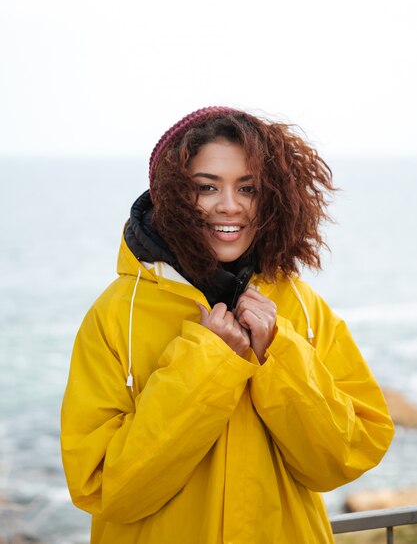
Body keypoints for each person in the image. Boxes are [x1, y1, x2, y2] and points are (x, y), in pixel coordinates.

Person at [61, 106, 394, 544]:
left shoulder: (300, 304)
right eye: (206, 187)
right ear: (172, 194)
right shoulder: (114, 314)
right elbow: (105, 489)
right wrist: (207, 366)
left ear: (271, 196)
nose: (230, 206)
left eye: (248, 188)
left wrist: (278, 351)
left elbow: (343, 459)